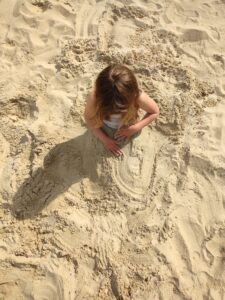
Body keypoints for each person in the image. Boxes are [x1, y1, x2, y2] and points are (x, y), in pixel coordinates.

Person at [84, 64, 160, 156]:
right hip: (105, 125)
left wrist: (134, 128)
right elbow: (89, 118)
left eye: (121, 107)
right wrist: (105, 139)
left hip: (129, 123)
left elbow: (155, 112)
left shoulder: (137, 96)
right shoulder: (95, 97)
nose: (117, 110)